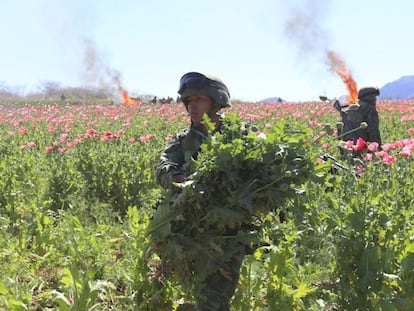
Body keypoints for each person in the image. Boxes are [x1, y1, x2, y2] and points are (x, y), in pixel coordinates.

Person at [155, 72, 244, 310]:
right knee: (197, 287)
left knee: (215, 296)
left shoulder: (239, 136)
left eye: (199, 100)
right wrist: (179, 178)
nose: (192, 105)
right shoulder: (183, 141)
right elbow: (162, 168)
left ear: (216, 102)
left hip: (227, 231)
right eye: (189, 100)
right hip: (189, 226)